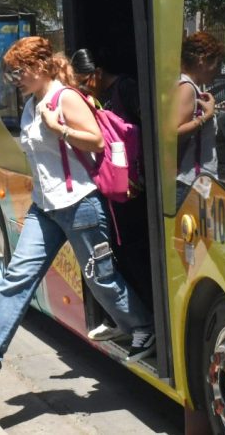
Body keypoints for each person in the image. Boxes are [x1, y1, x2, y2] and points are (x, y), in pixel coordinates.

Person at [0, 37, 155, 377]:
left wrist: (58, 128)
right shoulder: (34, 103)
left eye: (18, 72)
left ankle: (143, 327)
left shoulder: (66, 98)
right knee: (17, 276)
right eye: (11, 74)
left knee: (100, 277)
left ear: (39, 66)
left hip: (80, 204)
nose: (15, 80)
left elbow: (97, 140)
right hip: (45, 208)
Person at [69, 48, 153, 331]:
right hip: (112, 185)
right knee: (120, 249)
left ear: (99, 72)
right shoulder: (96, 96)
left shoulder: (125, 88)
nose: (82, 86)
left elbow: (147, 128)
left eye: (85, 80)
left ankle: (147, 317)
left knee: (133, 248)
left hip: (133, 185)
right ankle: (128, 316)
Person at [176, 31, 221, 206]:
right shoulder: (187, 88)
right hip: (192, 181)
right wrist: (206, 117)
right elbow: (174, 132)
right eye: (217, 63)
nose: (217, 69)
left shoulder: (188, 86)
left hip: (197, 179)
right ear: (202, 60)